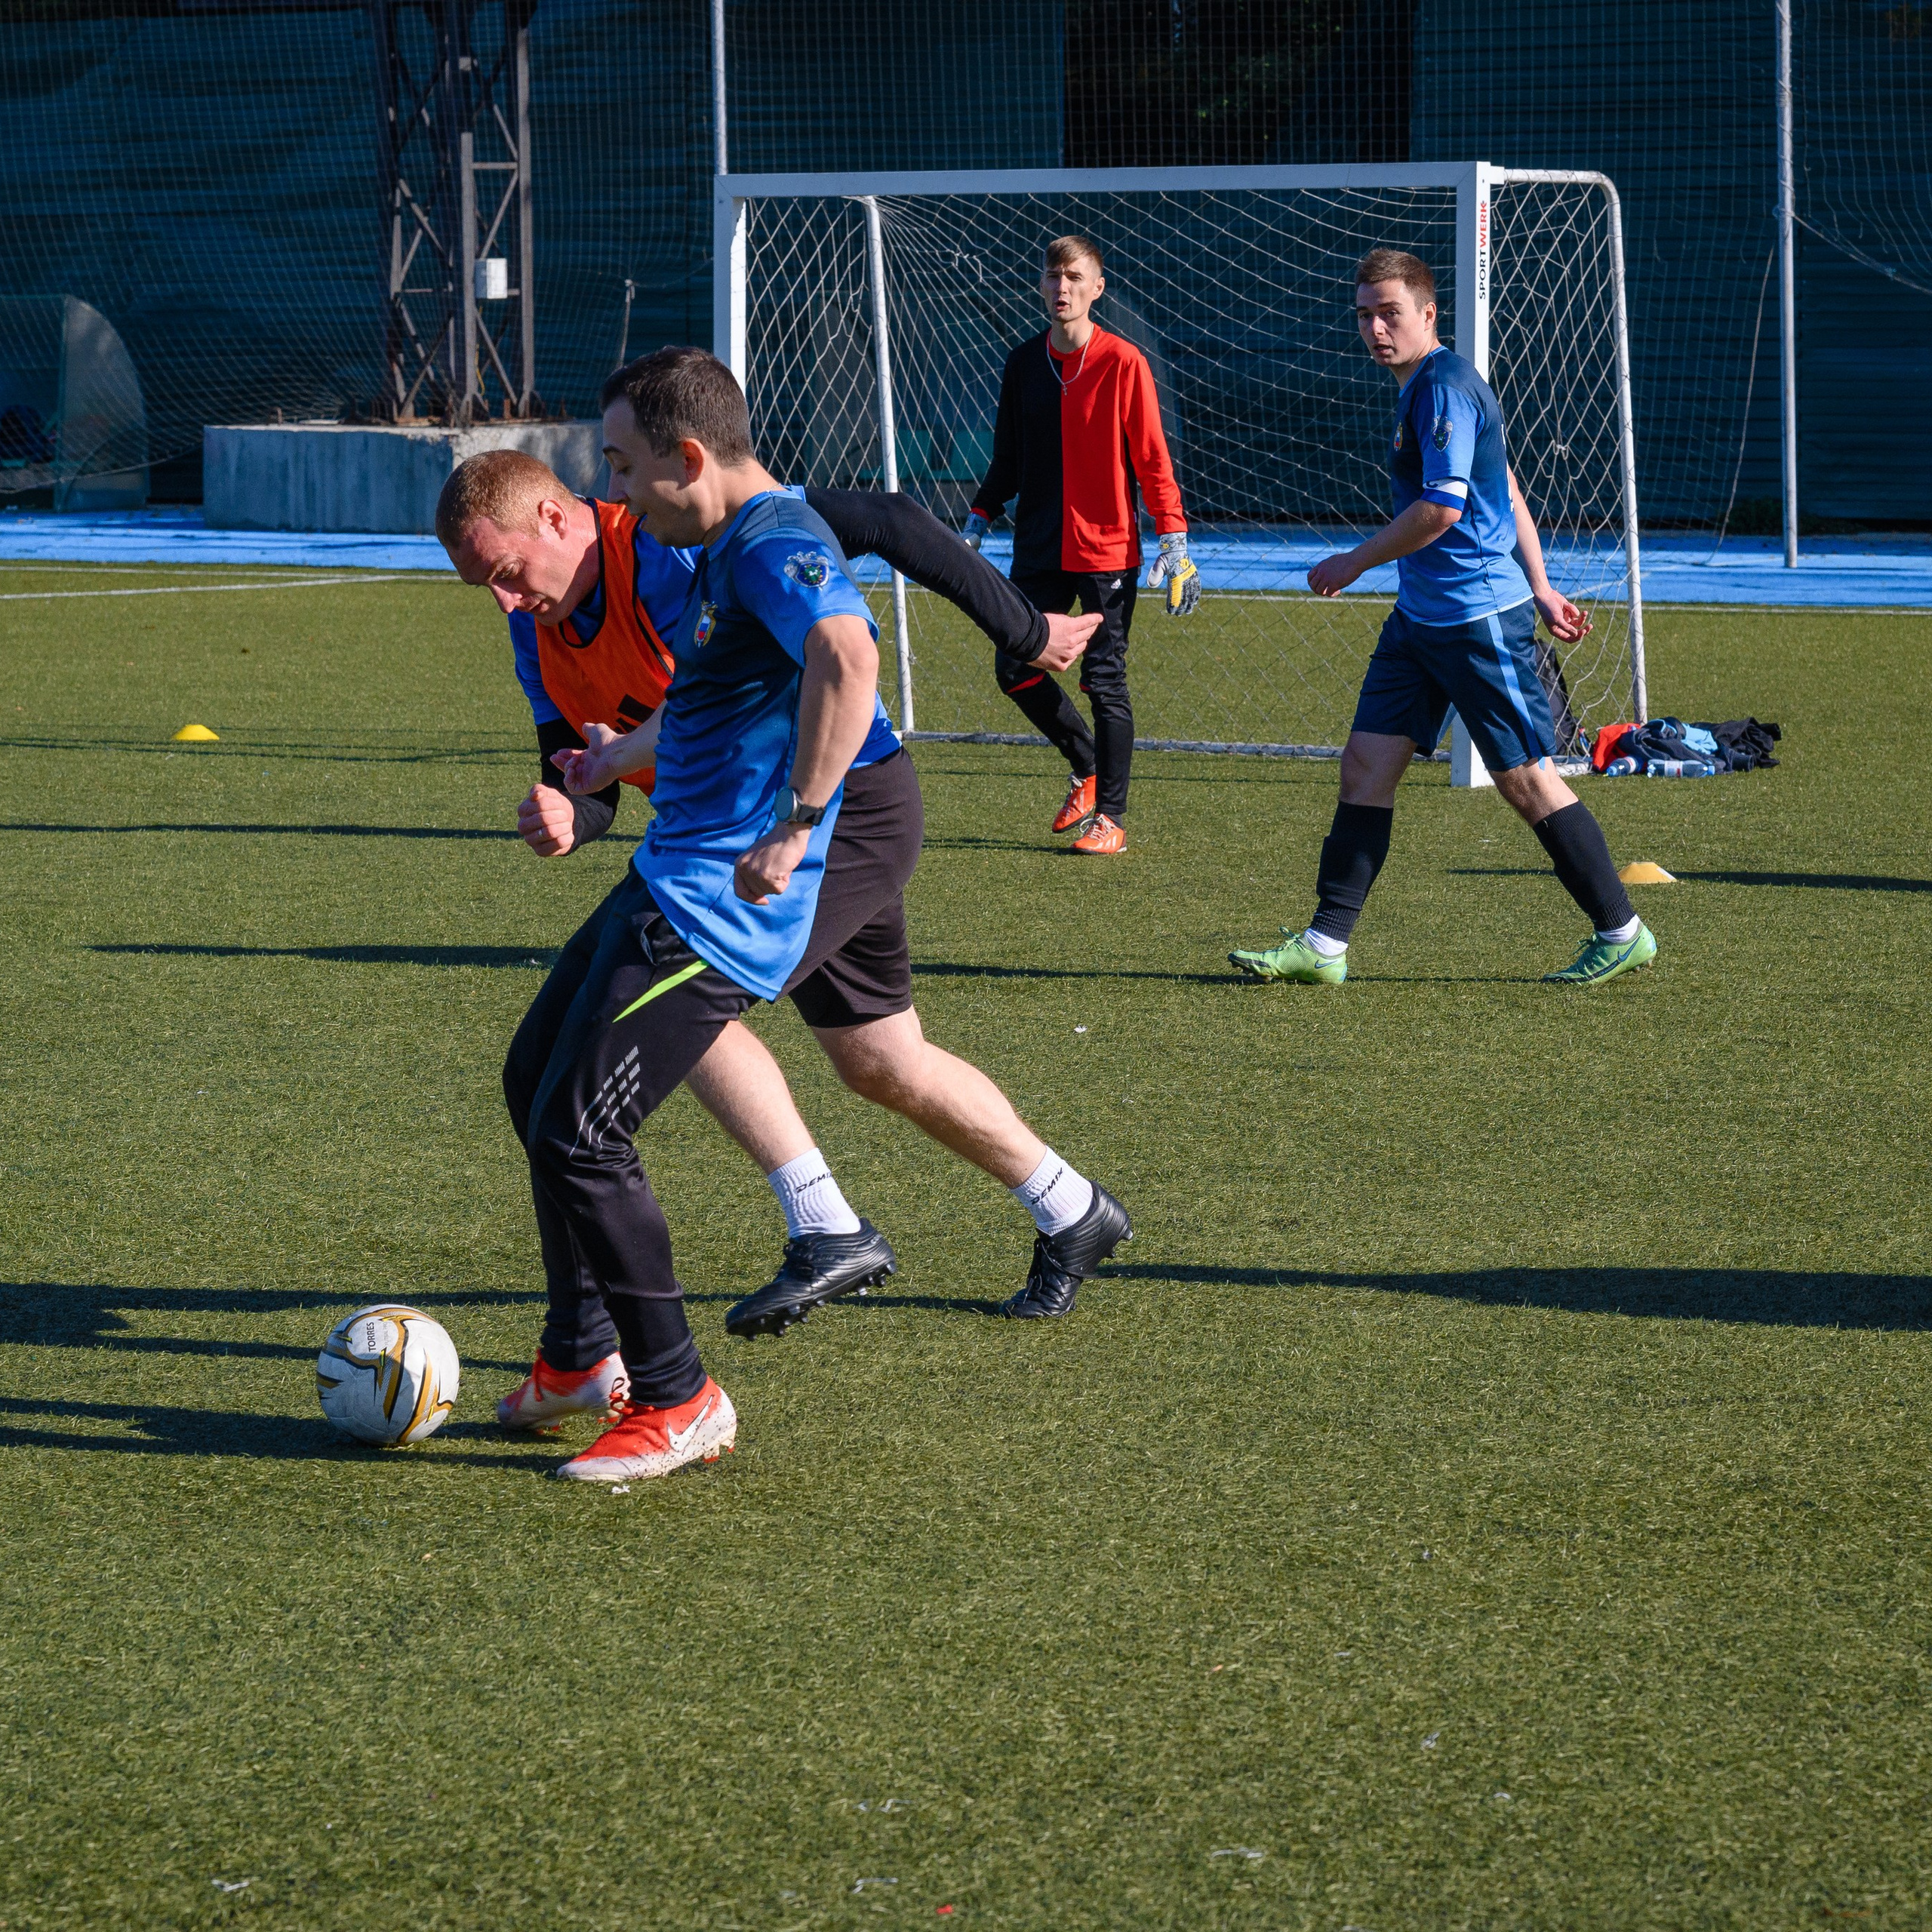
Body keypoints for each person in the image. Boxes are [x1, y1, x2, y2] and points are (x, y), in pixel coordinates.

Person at [473, 347, 1132, 1484]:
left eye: (623, 469)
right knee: (869, 1058)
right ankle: (1069, 1207)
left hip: (770, 854)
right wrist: (596, 777)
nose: (613, 492)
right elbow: (711, 708)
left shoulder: (756, 540)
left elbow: (848, 648)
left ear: (683, 458)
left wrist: (802, 817)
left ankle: (705, 1357)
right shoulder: (710, 554)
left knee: (603, 1100)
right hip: (709, 855)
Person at [1229, 249, 1657, 989]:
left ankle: (1621, 930)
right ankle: (1324, 945)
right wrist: (1547, 585)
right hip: (1421, 620)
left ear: (1428, 314)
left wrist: (1354, 561)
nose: (1373, 327)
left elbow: (1443, 509)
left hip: (1476, 620)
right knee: (1364, 766)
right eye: (1363, 313)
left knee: (1526, 782)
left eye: (1388, 312)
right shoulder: (1422, 388)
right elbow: (1509, 486)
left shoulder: (1444, 390)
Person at [963, 233, 1201, 857]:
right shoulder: (1022, 363)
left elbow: (1152, 458)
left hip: (1107, 552)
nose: (1061, 287)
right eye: (1052, 276)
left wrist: (1173, 539)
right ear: (1041, 285)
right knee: (1014, 664)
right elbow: (1007, 458)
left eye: (1074, 277)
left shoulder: (1125, 362)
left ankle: (1112, 819)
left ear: (1097, 288)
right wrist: (978, 516)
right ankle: (1085, 766)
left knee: (1104, 681)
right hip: (1039, 547)